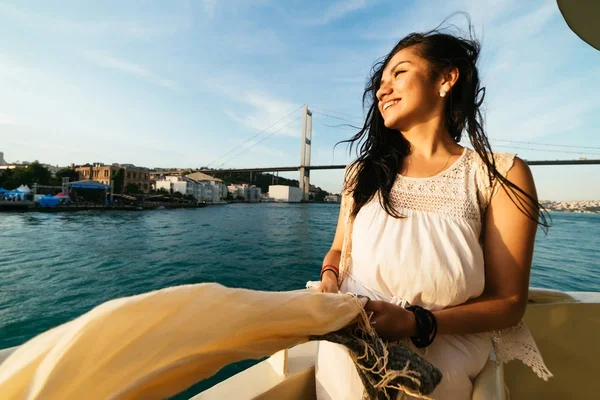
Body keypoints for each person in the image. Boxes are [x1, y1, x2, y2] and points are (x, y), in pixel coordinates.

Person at [315, 21, 550, 400]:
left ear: (446, 79)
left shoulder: (499, 175)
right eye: (380, 83)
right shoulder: (362, 174)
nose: (382, 89)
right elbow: (338, 251)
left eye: (399, 73)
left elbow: (508, 303)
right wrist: (328, 280)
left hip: (442, 366)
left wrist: (415, 322)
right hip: (347, 354)